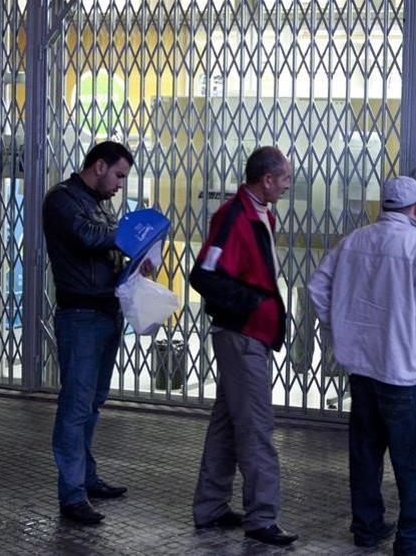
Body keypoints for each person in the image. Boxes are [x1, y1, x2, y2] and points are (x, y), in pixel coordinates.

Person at [308, 176, 416, 556]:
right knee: (414, 461)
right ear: (415, 208)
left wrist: (341, 328)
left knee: (365, 453)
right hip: (406, 374)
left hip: (362, 370)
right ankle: (415, 539)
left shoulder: (354, 241)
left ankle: (367, 526)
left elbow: (316, 287)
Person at [189, 146, 298, 546]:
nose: (288, 185)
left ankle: (211, 506)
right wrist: (251, 305)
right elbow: (204, 273)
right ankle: (262, 517)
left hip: (249, 334)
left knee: (227, 424)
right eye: (285, 178)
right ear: (267, 180)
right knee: (255, 426)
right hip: (243, 336)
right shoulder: (234, 215)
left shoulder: (259, 213)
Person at [43, 140, 135, 525]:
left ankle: (87, 477)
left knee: (92, 403)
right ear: (98, 166)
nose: (119, 185)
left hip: (105, 312)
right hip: (80, 317)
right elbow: (88, 238)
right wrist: (133, 237)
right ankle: (72, 494)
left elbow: (108, 250)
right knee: (76, 407)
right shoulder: (63, 200)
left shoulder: (99, 203)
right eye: (118, 175)